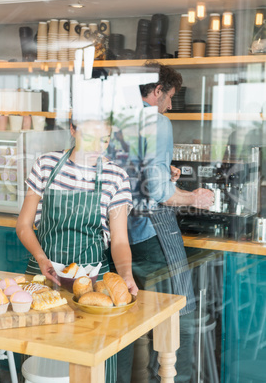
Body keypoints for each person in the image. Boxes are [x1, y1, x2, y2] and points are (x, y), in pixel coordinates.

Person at [16, 112, 138, 383]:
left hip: (94, 289)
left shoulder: (116, 177)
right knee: (43, 362)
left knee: (91, 363)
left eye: (104, 140)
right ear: (72, 129)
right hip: (43, 280)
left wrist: (126, 275)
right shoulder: (46, 165)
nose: (96, 148)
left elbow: (119, 241)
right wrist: (41, 257)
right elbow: (24, 225)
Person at [115, 62, 214, 383]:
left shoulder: (116, 120)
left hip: (117, 234)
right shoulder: (157, 122)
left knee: (126, 319)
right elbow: (158, 192)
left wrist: (164, 174)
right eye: (169, 96)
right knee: (178, 315)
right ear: (156, 91)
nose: (170, 104)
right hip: (150, 232)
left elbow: (131, 176)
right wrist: (193, 198)